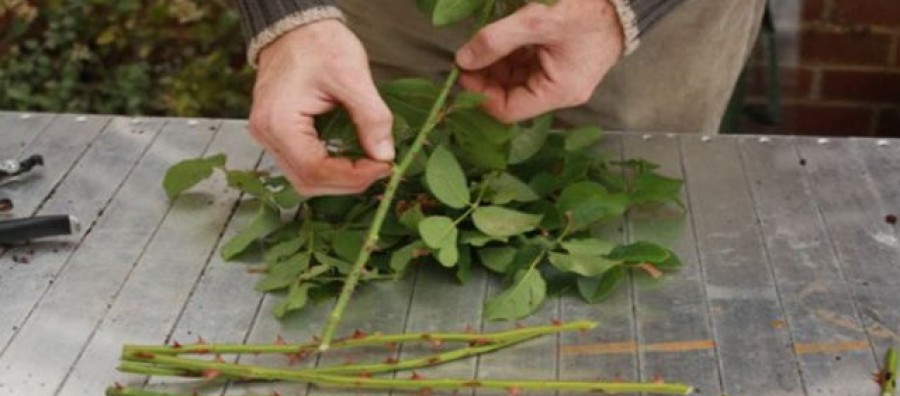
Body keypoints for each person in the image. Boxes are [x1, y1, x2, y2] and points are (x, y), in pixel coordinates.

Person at [235, 0, 766, 197]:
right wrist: (285, 16)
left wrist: (624, 10)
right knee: (374, 190)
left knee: (621, 219)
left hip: (649, 32)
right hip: (387, 14)